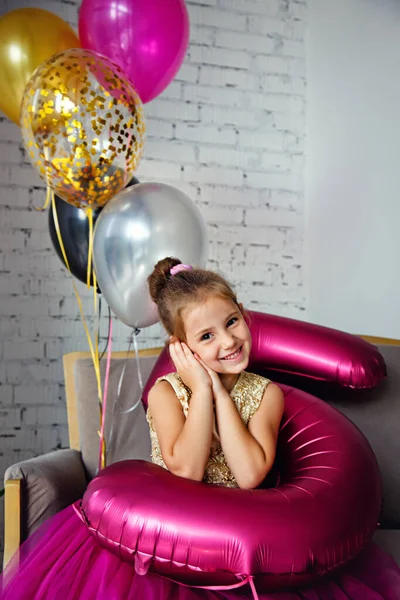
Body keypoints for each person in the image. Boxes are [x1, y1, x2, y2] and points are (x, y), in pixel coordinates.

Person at [1, 258, 400, 600]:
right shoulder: (166, 394)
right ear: (183, 346)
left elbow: (248, 476)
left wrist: (220, 396)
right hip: (169, 545)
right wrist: (200, 393)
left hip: (237, 542)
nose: (228, 341)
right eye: (207, 336)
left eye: (232, 322)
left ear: (244, 314)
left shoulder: (266, 395)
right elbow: (187, 472)